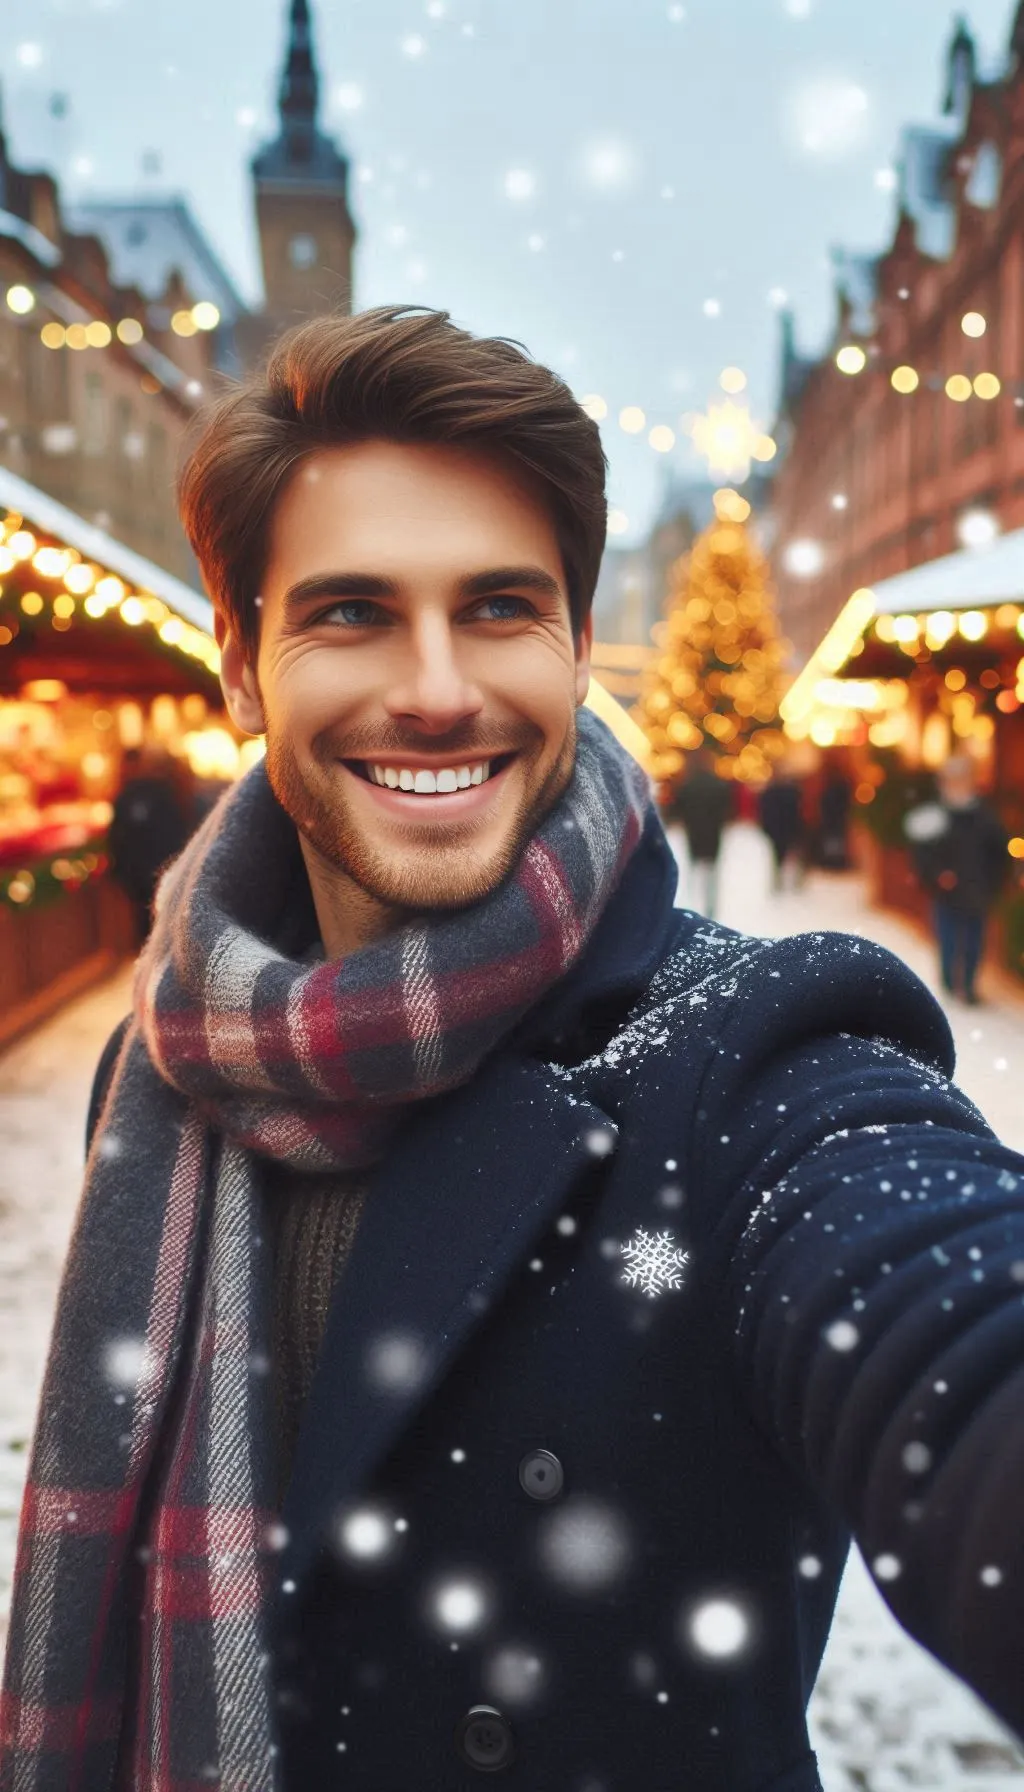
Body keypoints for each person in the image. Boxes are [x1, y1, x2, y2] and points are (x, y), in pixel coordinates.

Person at [3, 308, 1023, 1792]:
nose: (436, 687)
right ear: (241, 667)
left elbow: (949, 1320)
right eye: (350, 611)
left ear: (577, 643)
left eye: (498, 607)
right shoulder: (160, 1074)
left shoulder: (754, 1059)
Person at [904, 753, 1009, 1004]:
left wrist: (993, 882)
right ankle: (950, 983)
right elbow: (923, 853)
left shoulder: (985, 818)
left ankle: (969, 986)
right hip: (946, 893)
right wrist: (936, 875)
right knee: (948, 940)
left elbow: (999, 854)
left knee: (974, 943)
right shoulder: (936, 815)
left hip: (977, 891)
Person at [107, 745, 193, 944]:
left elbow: (118, 840)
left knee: (149, 933)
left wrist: (122, 875)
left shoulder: (130, 795)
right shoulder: (174, 792)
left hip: (142, 878)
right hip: (167, 873)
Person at [667, 747, 733, 917]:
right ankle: (711, 907)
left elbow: (676, 809)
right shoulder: (718, 784)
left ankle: (693, 906)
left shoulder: (687, 784)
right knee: (712, 872)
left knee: (693, 870)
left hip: (694, 833)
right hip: (713, 833)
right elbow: (728, 807)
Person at [758, 767, 807, 892]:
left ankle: (779, 880)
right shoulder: (792, 792)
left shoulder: (770, 792)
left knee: (779, 855)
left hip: (778, 828)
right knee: (789, 855)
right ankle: (792, 881)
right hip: (787, 827)